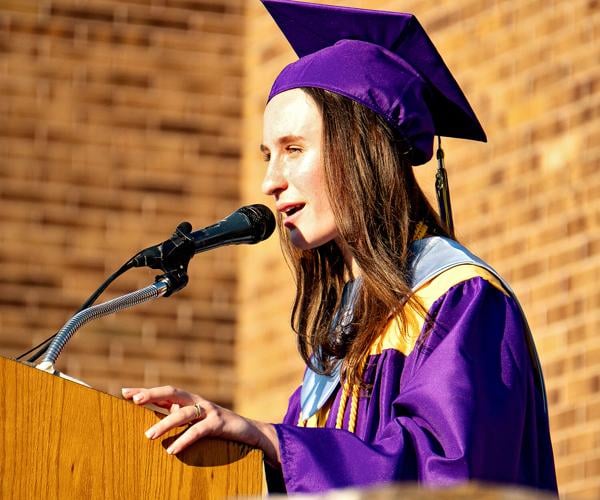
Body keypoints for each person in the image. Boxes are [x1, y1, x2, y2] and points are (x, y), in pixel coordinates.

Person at [122, 0, 558, 494]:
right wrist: (234, 446)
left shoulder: (458, 300)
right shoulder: (341, 336)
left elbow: (453, 474)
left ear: (361, 150)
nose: (269, 181)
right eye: (268, 155)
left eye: (293, 150)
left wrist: (271, 440)